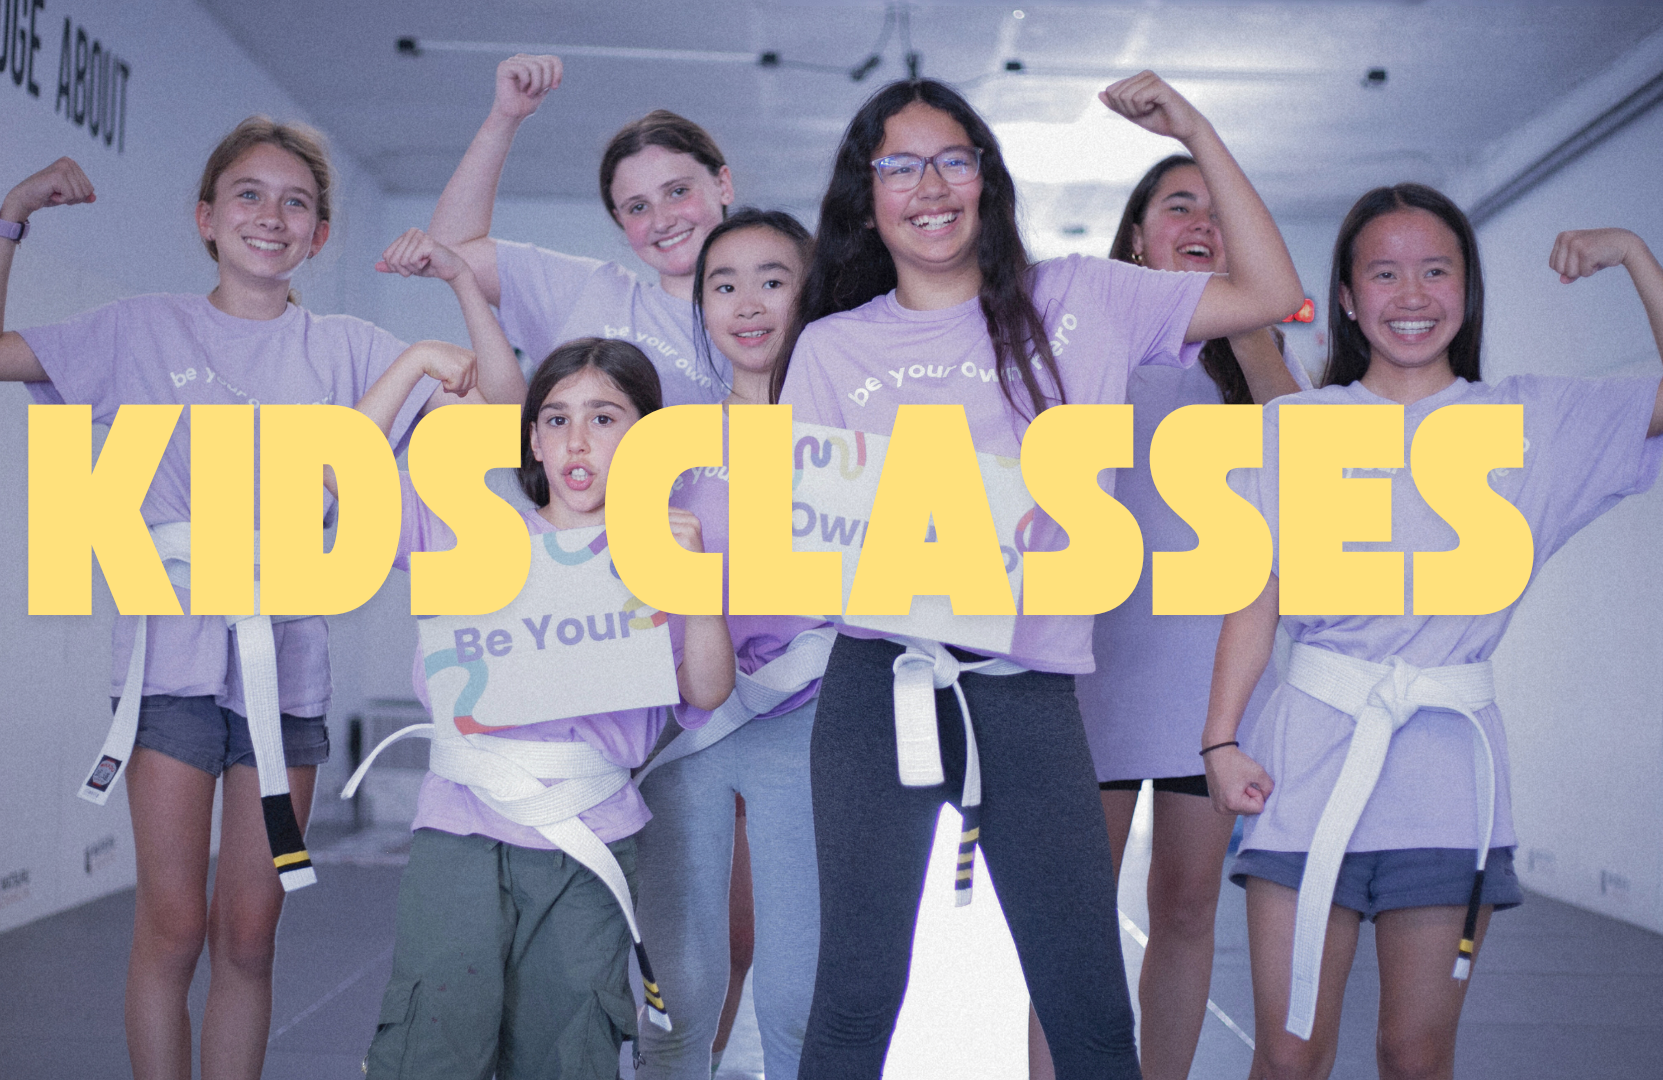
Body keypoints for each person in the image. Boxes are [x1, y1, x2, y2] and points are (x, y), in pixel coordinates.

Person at [772, 72, 1304, 1078]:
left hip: (1028, 697)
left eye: (951, 159)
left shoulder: (1084, 300)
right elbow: (805, 544)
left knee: (1089, 1008)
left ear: (986, 179)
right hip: (878, 689)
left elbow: (1273, 294)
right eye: (900, 166)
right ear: (868, 196)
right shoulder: (834, 350)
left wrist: (1195, 125)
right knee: (854, 998)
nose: (930, 185)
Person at [0, 118, 483, 1080]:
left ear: (320, 236)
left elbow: (494, 403)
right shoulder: (139, 329)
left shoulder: (350, 346)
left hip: (288, 669)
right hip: (171, 663)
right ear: (205, 217)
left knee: (249, 930)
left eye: (297, 202)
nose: (271, 216)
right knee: (175, 924)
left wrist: (460, 283)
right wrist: (12, 216)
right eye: (248, 194)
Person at [1203, 184, 1663, 1080]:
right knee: (1289, 1057)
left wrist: (1635, 250)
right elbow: (1255, 593)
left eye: (1436, 270)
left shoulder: (1530, 424)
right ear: (1347, 297)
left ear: (1467, 287)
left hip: (1448, 776)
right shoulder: (1295, 427)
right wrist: (1220, 738)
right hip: (1305, 764)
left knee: (1416, 1055)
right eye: (1385, 272)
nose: (1412, 295)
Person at [349, 335, 737, 1079]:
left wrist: (693, 582)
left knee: (569, 1046)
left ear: (648, 437)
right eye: (555, 419)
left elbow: (707, 689)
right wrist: (409, 367)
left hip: (590, 828)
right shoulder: (474, 535)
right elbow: (347, 477)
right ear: (530, 437)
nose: (577, 441)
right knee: (435, 1034)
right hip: (463, 819)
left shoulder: (662, 549)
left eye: (604, 417)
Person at [1036, 154, 1307, 1080]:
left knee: (1189, 910)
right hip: (1096, 670)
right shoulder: (1096, 344)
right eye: (1178, 205)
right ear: (1137, 234)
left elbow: (1317, 468)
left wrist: (1255, 330)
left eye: (1218, 210)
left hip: (1212, 687)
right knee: (1075, 919)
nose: (1201, 221)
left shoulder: (1260, 360)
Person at [632, 209, 829, 1080]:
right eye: (724, 284)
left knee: (797, 1001)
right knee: (680, 991)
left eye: (772, 279)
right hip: (688, 727)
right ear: (702, 307)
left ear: (809, 292)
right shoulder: (664, 440)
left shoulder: (859, 434)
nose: (747, 303)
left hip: (814, 722)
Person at [426, 53, 735, 406]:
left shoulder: (781, 312)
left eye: (678, 191)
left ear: (723, 184)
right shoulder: (590, 293)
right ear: (620, 219)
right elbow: (448, 251)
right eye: (638, 207)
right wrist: (504, 119)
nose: (662, 220)